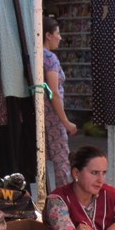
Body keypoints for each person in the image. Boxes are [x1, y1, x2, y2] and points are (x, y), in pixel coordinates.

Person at [43, 16, 78, 189]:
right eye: (58, 33)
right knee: (61, 161)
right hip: (53, 116)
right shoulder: (50, 59)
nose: (60, 37)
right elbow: (54, 92)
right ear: (48, 35)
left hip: (43, 115)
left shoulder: (36, 56)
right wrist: (65, 121)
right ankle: (64, 200)